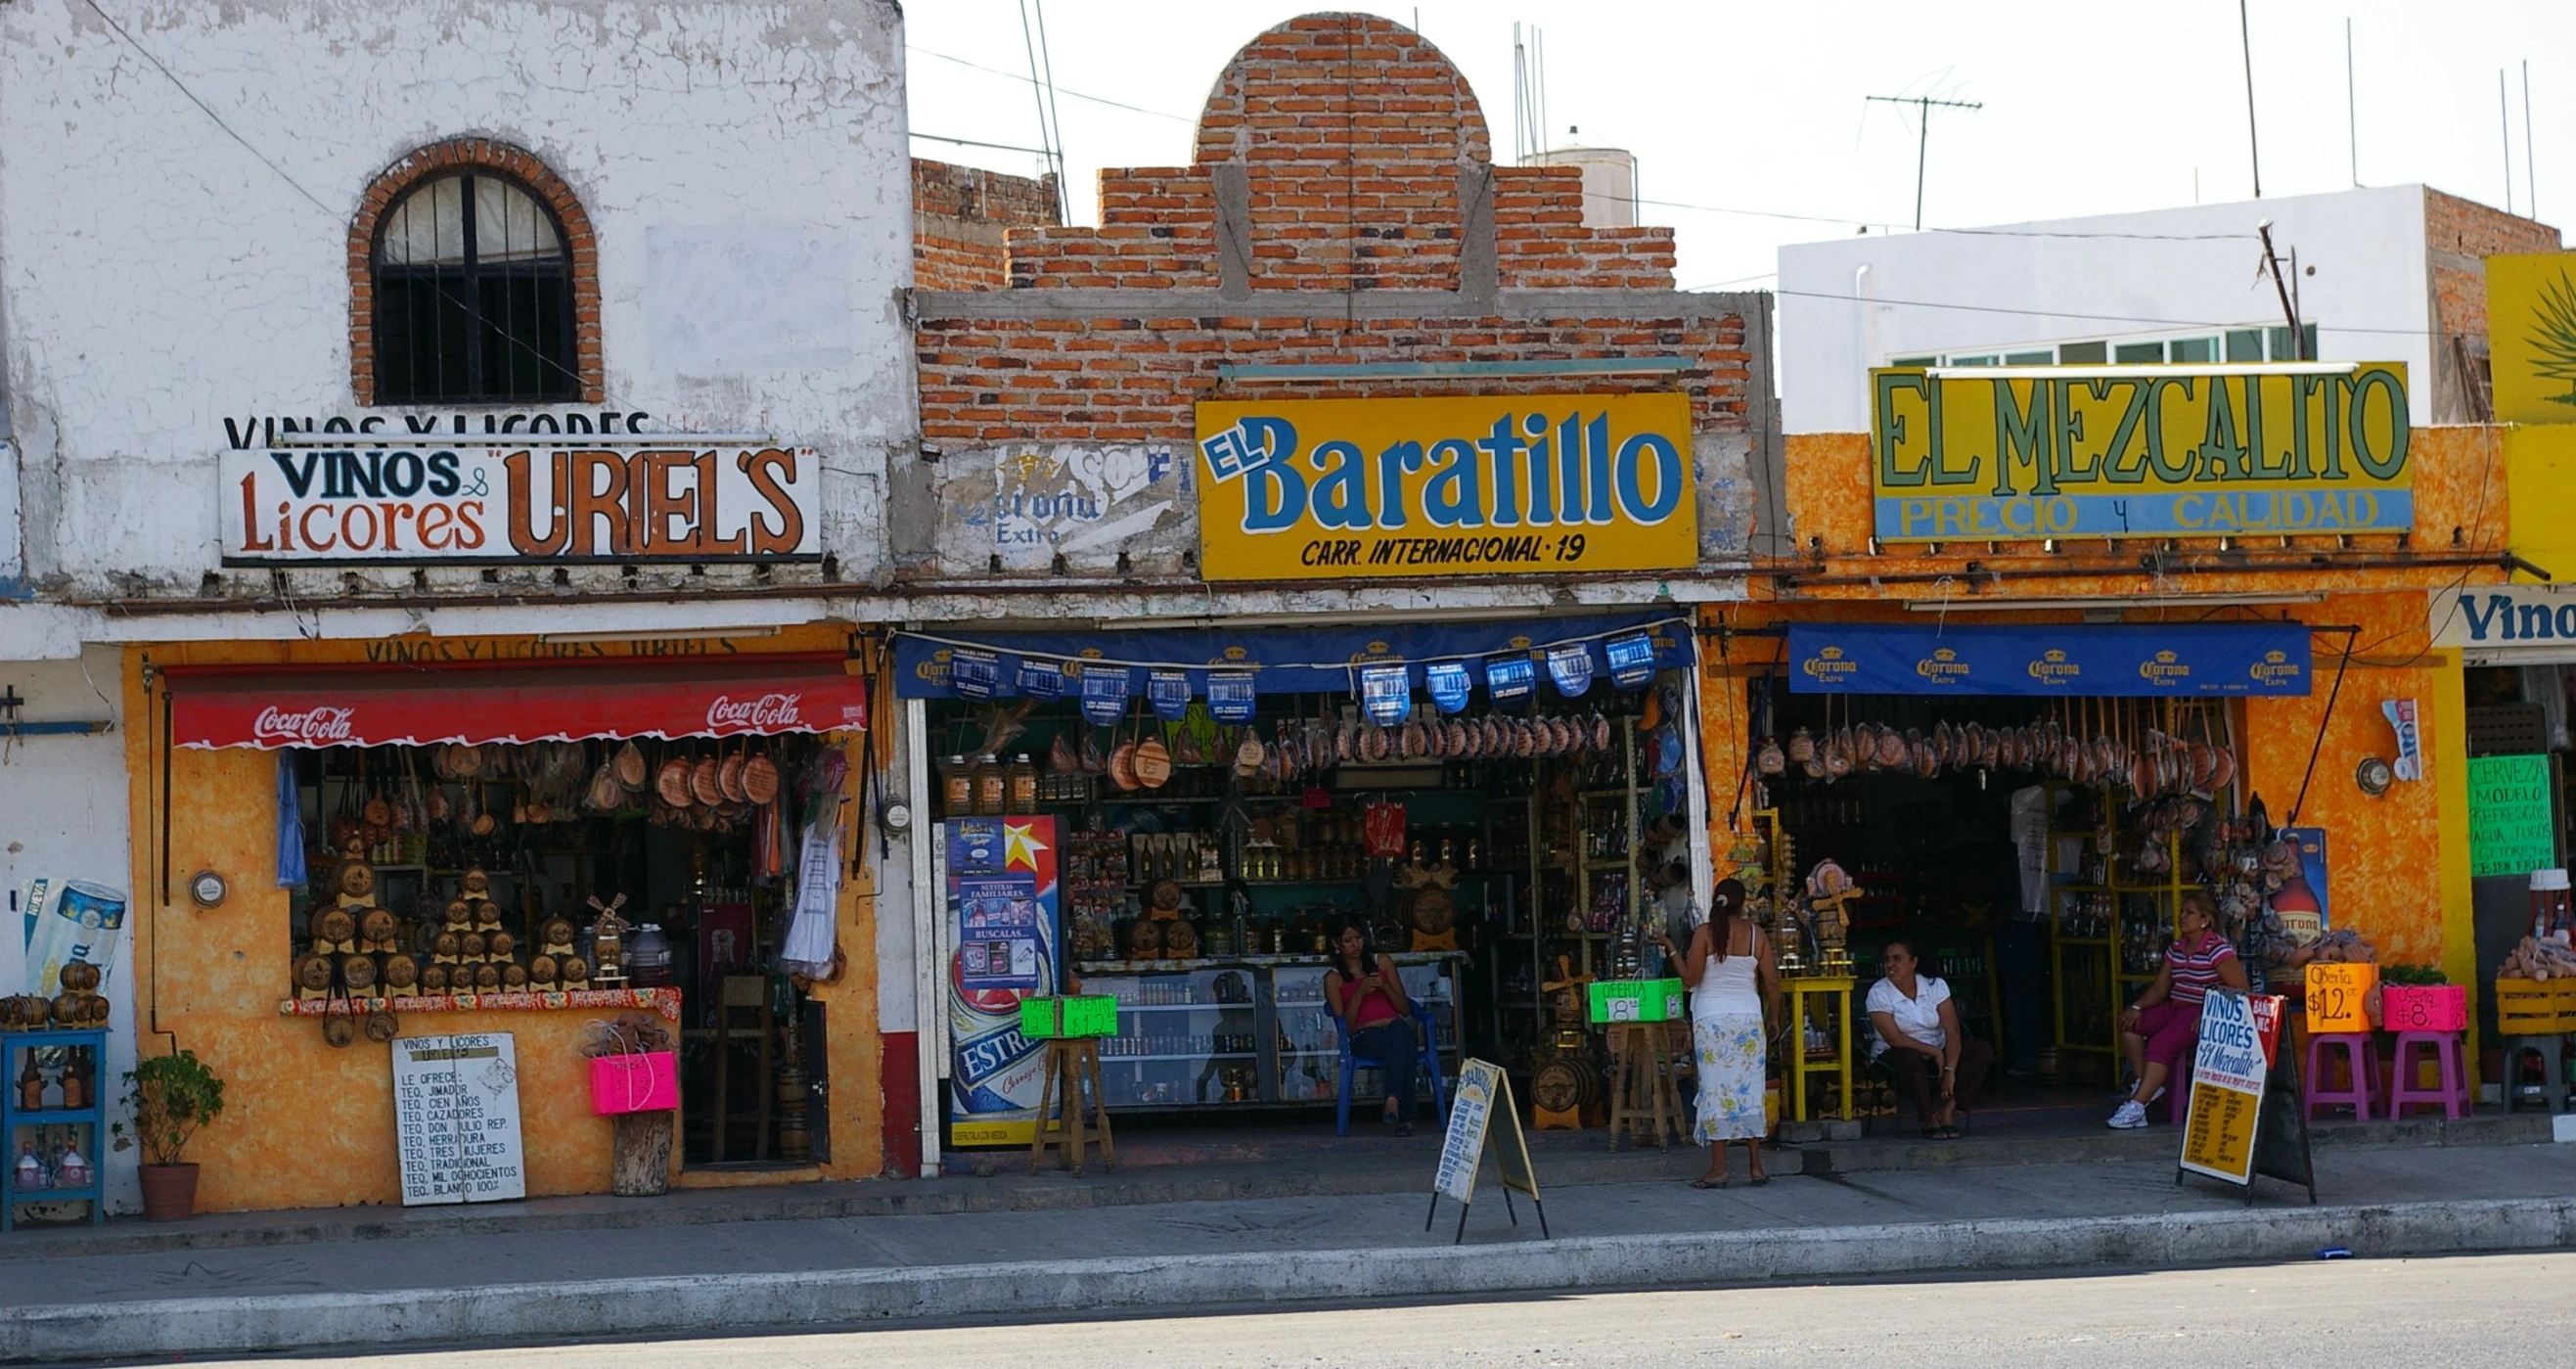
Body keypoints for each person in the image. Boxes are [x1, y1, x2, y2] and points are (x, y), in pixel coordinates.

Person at [1654, 879, 1779, 1189]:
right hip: (1748, 1020)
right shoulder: (1756, 934)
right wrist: (1773, 1018)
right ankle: (1756, 1167)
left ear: (1716, 900)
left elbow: (1690, 979)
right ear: (1744, 902)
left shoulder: (1704, 933)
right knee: (1749, 1090)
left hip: (1712, 1022)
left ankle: (1719, 1168)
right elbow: (1773, 983)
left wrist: (1670, 948)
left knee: (1716, 1090)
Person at [2109, 891, 2248, 1129]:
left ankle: (2137, 1104)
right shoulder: (2176, 947)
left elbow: (2241, 989)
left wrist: (2208, 1014)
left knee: (2161, 1043)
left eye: (2189, 913)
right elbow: (2161, 988)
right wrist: (2136, 1007)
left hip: (2201, 1013)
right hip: (2176, 1007)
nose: (2182, 917)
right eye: (2182, 912)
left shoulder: (2217, 949)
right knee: (2128, 1025)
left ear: (2205, 920)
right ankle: (2148, 1086)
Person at [1866, 939, 1992, 1139]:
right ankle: (1928, 1118)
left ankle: (1948, 1110)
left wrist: (1949, 1070)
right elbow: (1895, 1039)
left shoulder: (1935, 985)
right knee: (1909, 1057)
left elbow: (1952, 1030)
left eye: (1898, 959)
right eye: (1887, 960)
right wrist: (1935, 1054)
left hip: (1938, 1052)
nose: (1891, 965)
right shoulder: (1878, 992)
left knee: (1981, 1049)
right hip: (1894, 1057)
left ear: (1913, 962)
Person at [1325, 919, 1419, 1135]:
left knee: (1400, 1032)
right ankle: (1404, 1115)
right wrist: (1358, 995)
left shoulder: (1382, 963)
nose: (1355, 945)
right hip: (1365, 1037)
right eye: (1348, 940)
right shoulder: (1333, 978)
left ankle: (1393, 1102)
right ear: (1336, 944)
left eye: (1359, 938)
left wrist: (1384, 986)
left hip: (1395, 1030)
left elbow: (1404, 1010)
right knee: (1406, 1043)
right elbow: (1345, 1028)